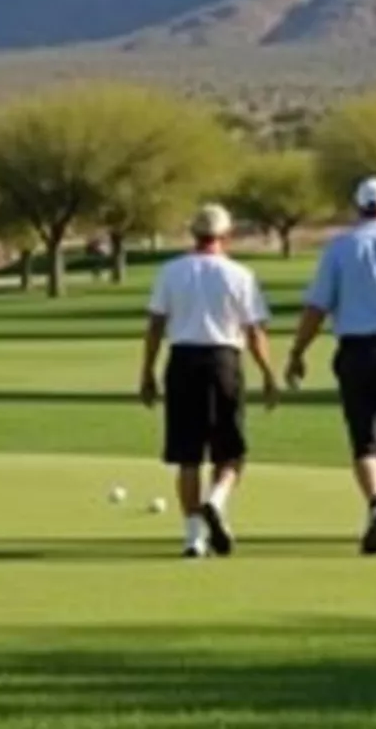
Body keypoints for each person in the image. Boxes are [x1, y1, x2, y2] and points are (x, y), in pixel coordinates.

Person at [286, 177, 376, 555]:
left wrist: (297, 351)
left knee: (366, 441)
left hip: (355, 351)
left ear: (357, 208)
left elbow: (317, 306)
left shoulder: (339, 249)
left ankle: (375, 504)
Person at [140, 204, 277, 559]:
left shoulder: (171, 272)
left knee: (188, 457)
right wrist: (268, 373)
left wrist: (147, 372)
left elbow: (155, 326)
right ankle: (216, 501)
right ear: (226, 236)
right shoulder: (240, 275)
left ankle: (193, 539)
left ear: (193, 234)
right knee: (230, 453)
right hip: (223, 362)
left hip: (182, 361)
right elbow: (254, 331)